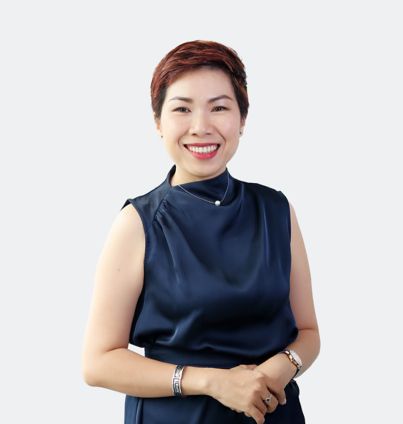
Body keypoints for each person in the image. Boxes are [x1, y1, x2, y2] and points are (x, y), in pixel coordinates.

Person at [82, 40, 320, 424]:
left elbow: (308, 332)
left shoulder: (276, 209)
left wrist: (281, 366)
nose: (201, 127)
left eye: (219, 107)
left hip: (275, 414)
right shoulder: (138, 222)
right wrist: (212, 382)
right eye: (182, 109)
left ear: (242, 119)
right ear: (158, 122)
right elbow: (98, 362)